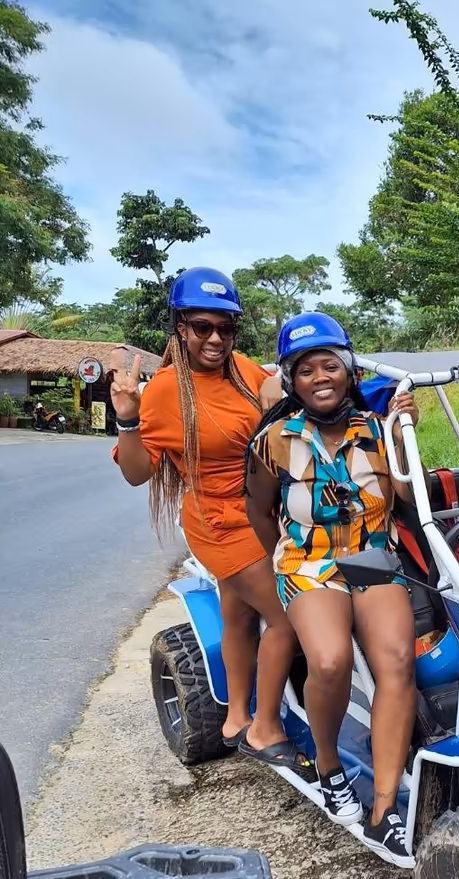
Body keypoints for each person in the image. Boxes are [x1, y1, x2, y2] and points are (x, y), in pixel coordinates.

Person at [110, 266, 312, 778]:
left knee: (241, 616)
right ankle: (266, 727)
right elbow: (137, 473)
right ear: (181, 326)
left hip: (265, 512)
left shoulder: (243, 369)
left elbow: (287, 396)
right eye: (203, 327)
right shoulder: (162, 391)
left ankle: (235, 719)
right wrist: (128, 418)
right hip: (219, 522)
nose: (216, 338)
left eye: (226, 327)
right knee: (291, 615)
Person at [243, 311, 421, 868]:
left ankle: (385, 808)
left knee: (397, 660)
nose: (320, 377)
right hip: (307, 560)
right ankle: (328, 766)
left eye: (330, 365)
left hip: (370, 556)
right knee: (328, 659)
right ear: (291, 381)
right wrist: (289, 558)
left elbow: (413, 505)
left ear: (347, 370)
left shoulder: (377, 430)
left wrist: (403, 438)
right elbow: (258, 509)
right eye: (305, 370)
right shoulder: (274, 441)